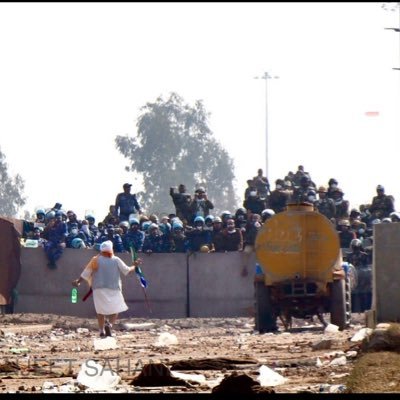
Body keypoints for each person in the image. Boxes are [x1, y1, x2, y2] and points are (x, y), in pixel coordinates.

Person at [72, 240, 143, 337]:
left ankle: (101, 331)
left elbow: (86, 273)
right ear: (111, 249)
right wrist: (135, 265)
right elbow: (127, 270)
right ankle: (109, 325)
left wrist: (78, 282)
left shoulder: (95, 259)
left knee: (100, 311)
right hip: (114, 288)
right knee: (116, 308)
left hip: (98, 289)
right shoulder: (116, 259)